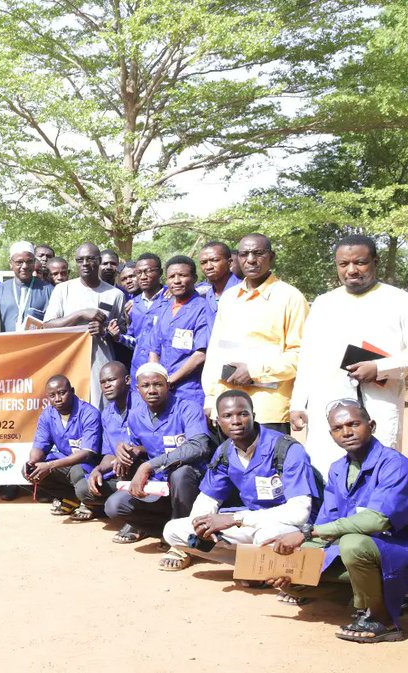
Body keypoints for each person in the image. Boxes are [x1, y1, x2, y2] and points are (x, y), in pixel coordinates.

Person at [265, 400, 408, 643]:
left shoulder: (395, 464)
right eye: (338, 428)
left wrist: (310, 532)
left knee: (353, 543)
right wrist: (293, 561)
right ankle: (362, 598)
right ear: (332, 434)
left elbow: (377, 520)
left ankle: (382, 618)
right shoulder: (337, 469)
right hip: (360, 556)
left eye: (354, 424)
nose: (347, 432)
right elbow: (327, 523)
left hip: (395, 550)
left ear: (371, 425)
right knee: (294, 564)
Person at [159, 390, 316, 572]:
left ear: (253, 416)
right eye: (227, 416)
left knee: (267, 536)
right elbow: (209, 498)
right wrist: (201, 526)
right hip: (250, 521)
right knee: (173, 530)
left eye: (243, 414)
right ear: (218, 421)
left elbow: (299, 512)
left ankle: (260, 569)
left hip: (287, 526)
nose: (236, 421)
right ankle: (250, 565)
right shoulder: (225, 451)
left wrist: (234, 519)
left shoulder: (287, 449)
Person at [291, 235, 408, 467]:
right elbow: (308, 357)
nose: (352, 270)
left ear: (376, 262)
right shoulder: (324, 303)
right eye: (344, 264)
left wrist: (379, 368)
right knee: (325, 469)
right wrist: (297, 403)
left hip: (378, 402)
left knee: (378, 471)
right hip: (326, 401)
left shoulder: (399, 300)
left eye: (360, 262)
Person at [202, 233, 308, 433]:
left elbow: (301, 354)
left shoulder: (290, 297)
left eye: (258, 253)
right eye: (244, 254)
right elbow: (216, 350)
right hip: (228, 404)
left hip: (268, 409)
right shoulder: (229, 298)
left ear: (271, 257)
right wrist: (211, 397)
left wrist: (254, 371)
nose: (250, 260)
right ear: (237, 259)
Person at [104, 363, 211, 544]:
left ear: (168, 385)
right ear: (138, 389)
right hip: (159, 483)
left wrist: (149, 465)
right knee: (114, 506)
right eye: (145, 386)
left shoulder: (188, 408)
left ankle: (182, 543)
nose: (152, 390)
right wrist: (127, 452)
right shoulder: (135, 416)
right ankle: (165, 530)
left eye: (158, 384)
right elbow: (143, 447)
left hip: (191, 483)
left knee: (181, 474)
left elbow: (199, 446)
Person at [43, 243, 126, 405]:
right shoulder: (62, 289)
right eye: (80, 260)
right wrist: (80, 314)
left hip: (101, 362)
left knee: (99, 407)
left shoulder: (115, 294)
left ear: (100, 261)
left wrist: (105, 331)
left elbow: (121, 332)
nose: (85, 263)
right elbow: (48, 326)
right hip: (69, 360)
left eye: (90, 259)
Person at [22, 375, 102, 511]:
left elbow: (87, 454)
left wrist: (49, 465)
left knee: (77, 471)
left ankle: (91, 505)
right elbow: (40, 444)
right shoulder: (47, 415)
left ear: (72, 390)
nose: (58, 399)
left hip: (89, 464)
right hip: (64, 461)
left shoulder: (89, 413)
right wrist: (32, 462)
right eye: (52, 395)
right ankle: (72, 500)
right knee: (32, 470)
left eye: (62, 393)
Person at [144, 256, 213, 407]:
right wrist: (157, 378)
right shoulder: (163, 309)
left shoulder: (203, 308)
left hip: (189, 390)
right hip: (163, 391)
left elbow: (201, 354)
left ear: (194, 278)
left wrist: (171, 380)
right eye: (171, 277)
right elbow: (154, 349)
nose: (176, 281)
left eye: (182, 275)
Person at [81, 362, 132, 518]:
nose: (107, 386)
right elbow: (109, 453)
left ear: (127, 380)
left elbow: (154, 446)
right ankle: (122, 503)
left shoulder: (143, 405)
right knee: (84, 488)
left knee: (114, 506)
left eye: (111, 380)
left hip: (145, 469)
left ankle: (139, 521)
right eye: (103, 382)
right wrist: (99, 469)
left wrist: (129, 454)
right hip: (120, 473)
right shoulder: (107, 414)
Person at [111, 252, 164, 380]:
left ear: (160, 273)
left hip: (164, 369)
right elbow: (136, 341)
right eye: (139, 273)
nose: (143, 277)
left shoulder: (171, 297)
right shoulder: (134, 304)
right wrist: (118, 337)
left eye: (148, 272)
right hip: (139, 370)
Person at [0, 241, 52, 332]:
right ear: (10, 263)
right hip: (6, 344)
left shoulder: (47, 289)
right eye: (19, 262)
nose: (25, 266)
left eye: (29, 261)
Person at [195, 241, 241, 311]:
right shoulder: (207, 295)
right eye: (203, 262)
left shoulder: (244, 291)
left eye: (215, 260)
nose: (208, 267)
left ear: (229, 262)